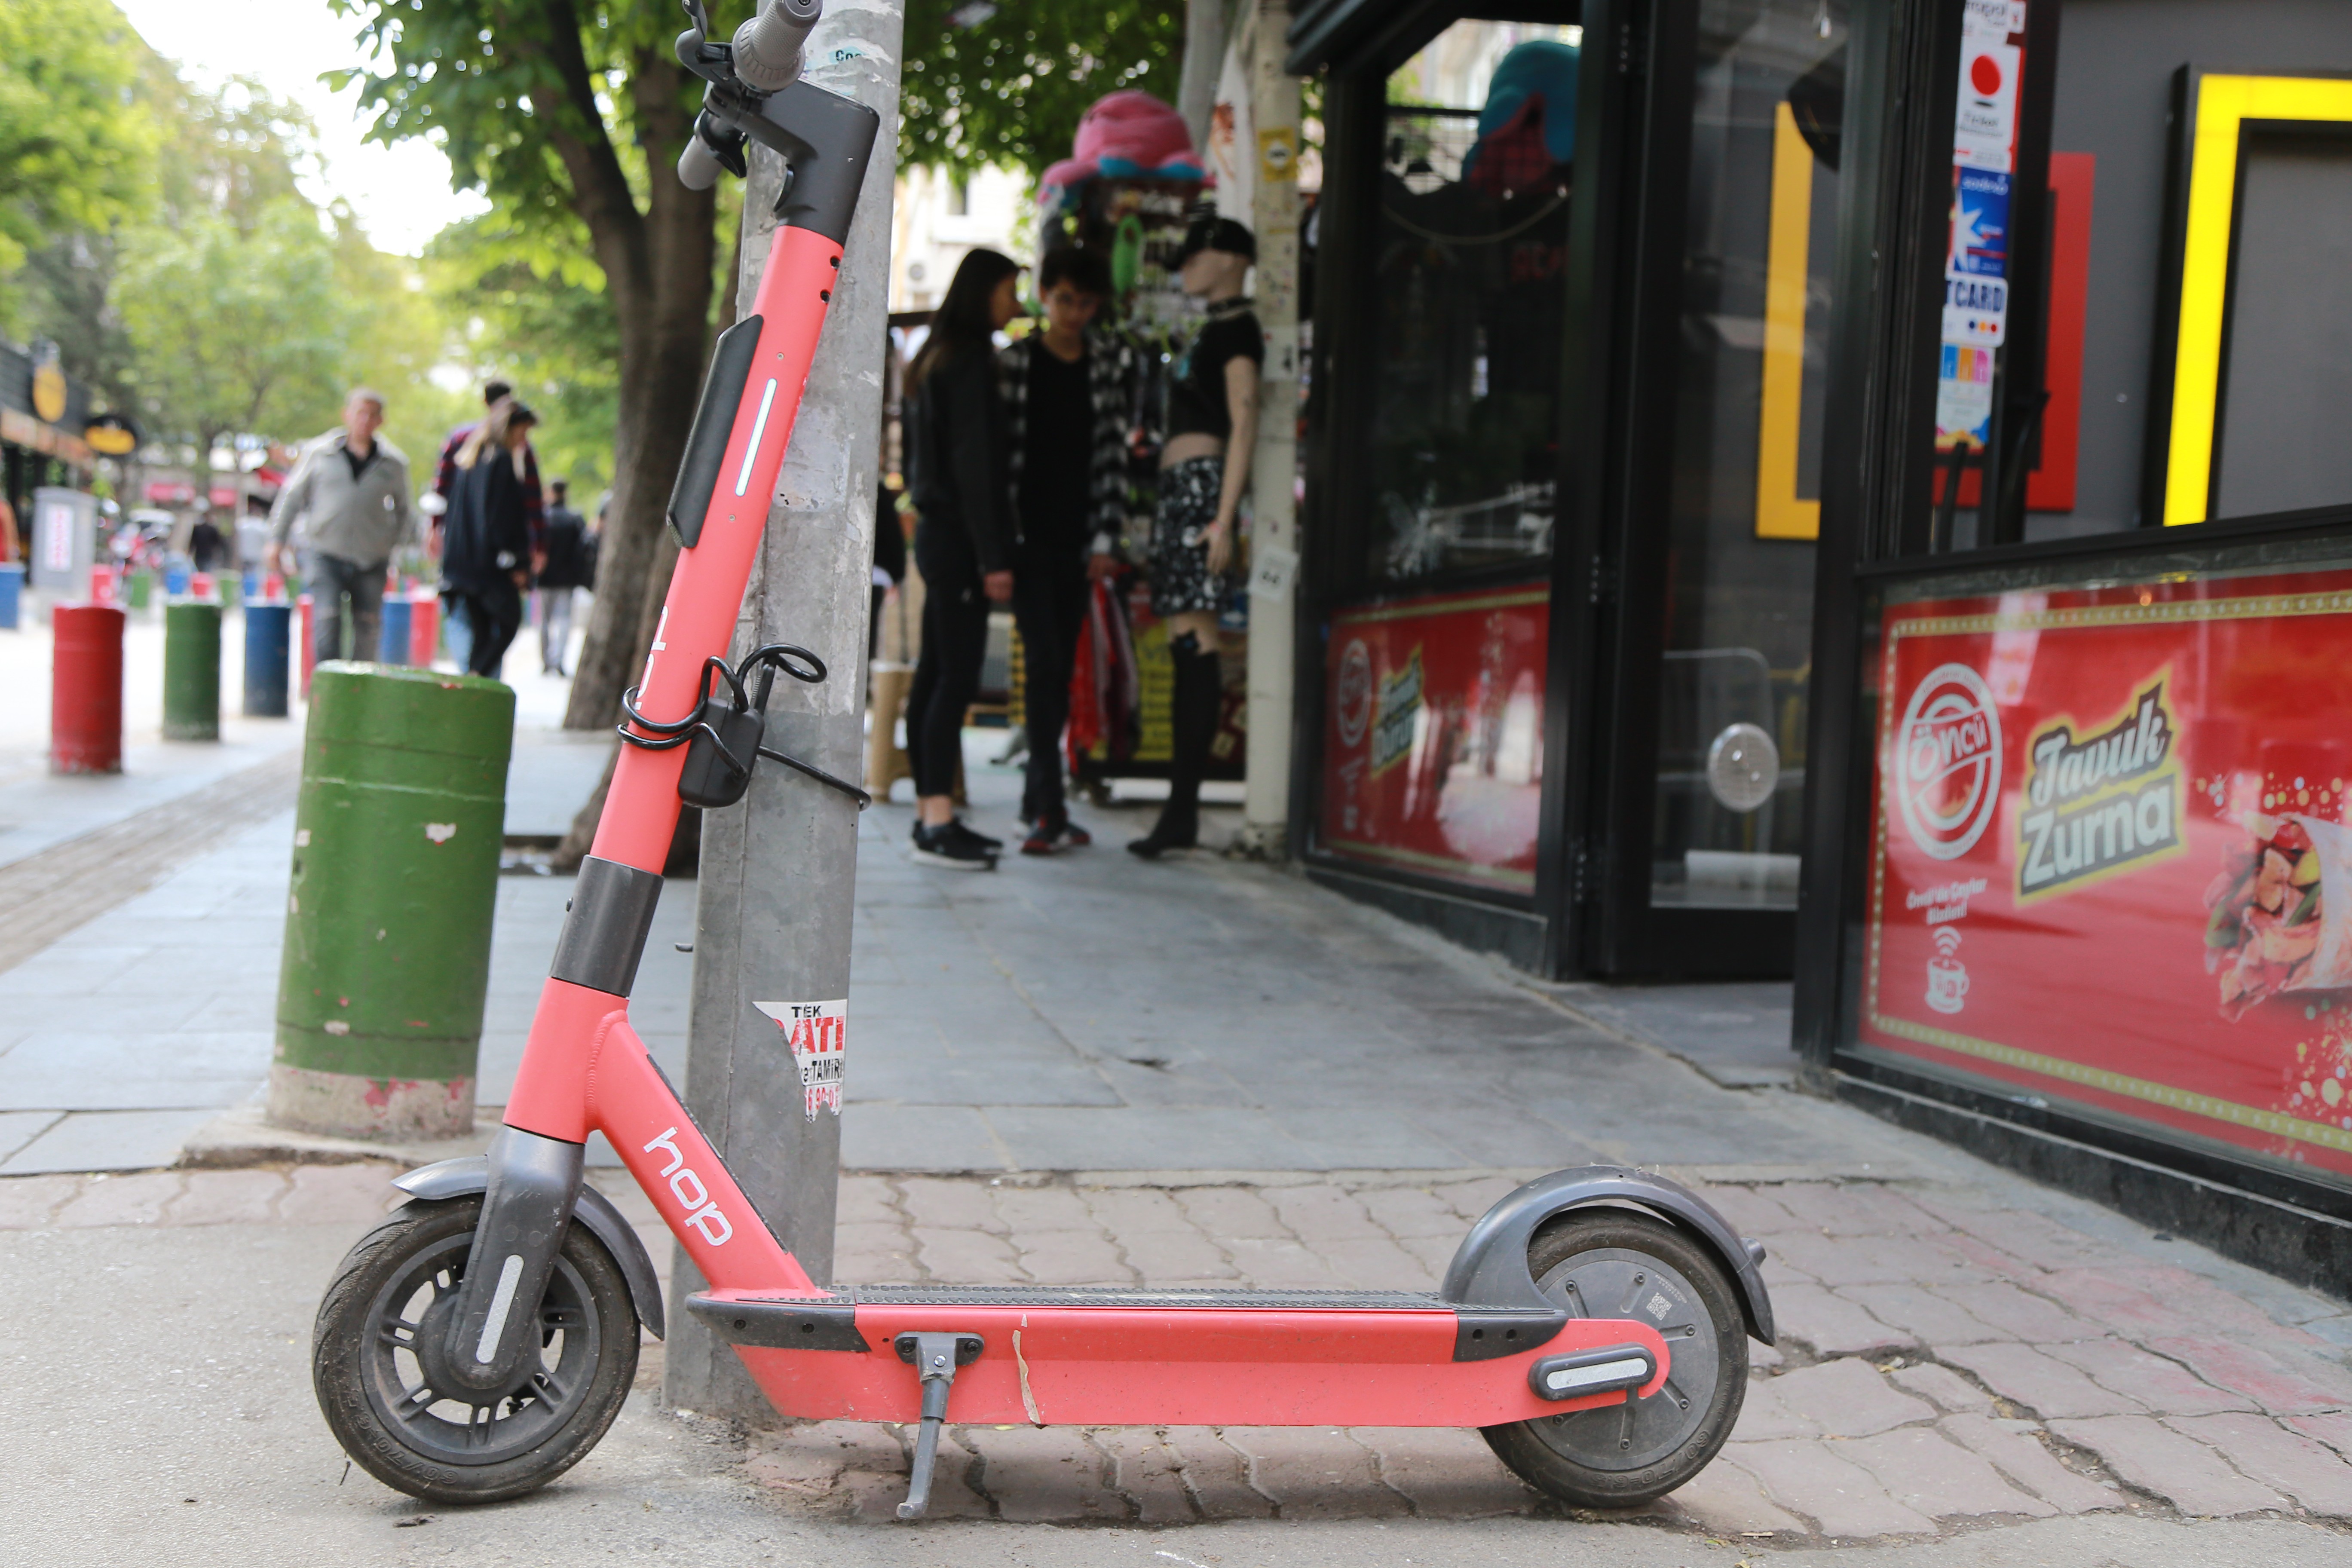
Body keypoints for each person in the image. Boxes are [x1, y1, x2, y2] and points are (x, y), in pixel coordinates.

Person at [1130, 216, 1260, 858]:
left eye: (1196, 255)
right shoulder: (1215, 326)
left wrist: (1223, 515)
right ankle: (1178, 807)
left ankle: (1181, 808)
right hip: (1187, 490)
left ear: (1229, 257)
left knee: (1197, 638)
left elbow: (1246, 419)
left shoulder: (1238, 329)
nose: (1186, 267)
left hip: (1203, 489)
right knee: (1186, 637)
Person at [997, 246, 1130, 856]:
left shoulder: (1104, 364)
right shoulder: (1016, 363)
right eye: (1066, 299)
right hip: (1028, 543)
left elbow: (1112, 460)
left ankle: (1042, 803)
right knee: (1047, 666)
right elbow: (999, 460)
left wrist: (1106, 538)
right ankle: (1046, 805)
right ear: (1045, 296)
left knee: (1058, 668)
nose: (1076, 312)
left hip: (1080, 545)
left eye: (1087, 301)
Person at [902, 247, 1023, 870]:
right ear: (984, 292)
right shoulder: (969, 361)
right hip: (960, 537)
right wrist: (994, 556)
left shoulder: (931, 359)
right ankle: (937, 820)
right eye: (1009, 290)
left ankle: (933, 816)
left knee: (936, 673)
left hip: (937, 533)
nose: (1017, 304)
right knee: (953, 676)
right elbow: (977, 469)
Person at [266, 388, 417, 668]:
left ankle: (359, 696)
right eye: (360, 412)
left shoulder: (394, 463)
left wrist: (391, 545)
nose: (365, 420)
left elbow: (406, 513)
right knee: (327, 623)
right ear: (347, 415)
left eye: (373, 415)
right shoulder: (319, 453)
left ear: (381, 421)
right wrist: (276, 540)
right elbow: (292, 497)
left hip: (372, 559)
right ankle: (328, 693)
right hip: (326, 553)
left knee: (368, 629)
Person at [435, 380, 545, 668]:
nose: (525, 440)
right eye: (523, 432)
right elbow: (502, 518)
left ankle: (474, 682)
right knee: (508, 623)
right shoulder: (502, 463)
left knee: (482, 633)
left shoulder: (471, 460)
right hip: (487, 567)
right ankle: (477, 677)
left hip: (462, 564)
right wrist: (519, 562)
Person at [536, 478, 591, 676]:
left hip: (544, 578)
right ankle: (558, 659)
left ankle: (547, 661)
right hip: (567, 578)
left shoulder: (543, 518)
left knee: (544, 621)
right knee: (564, 621)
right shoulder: (574, 519)